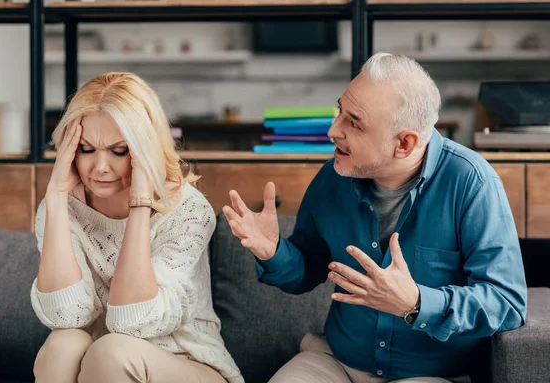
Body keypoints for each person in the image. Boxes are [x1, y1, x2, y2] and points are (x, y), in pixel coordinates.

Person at [223, 53, 527, 383]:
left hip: (431, 374)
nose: (332, 130)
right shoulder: (333, 177)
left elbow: (506, 304)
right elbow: (306, 271)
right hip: (338, 361)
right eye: (340, 111)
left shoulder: (471, 182)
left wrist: (416, 303)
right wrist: (274, 252)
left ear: (405, 143)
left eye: (354, 122)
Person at [30, 72, 242, 383]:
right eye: (87, 149)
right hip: (99, 367)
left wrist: (141, 202)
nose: (100, 167)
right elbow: (67, 315)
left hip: (187, 363)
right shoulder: (59, 206)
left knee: (112, 352)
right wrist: (56, 198)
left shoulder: (188, 210)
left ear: (145, 149)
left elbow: (132, 322)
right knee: (63, 344)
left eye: (119, 150)